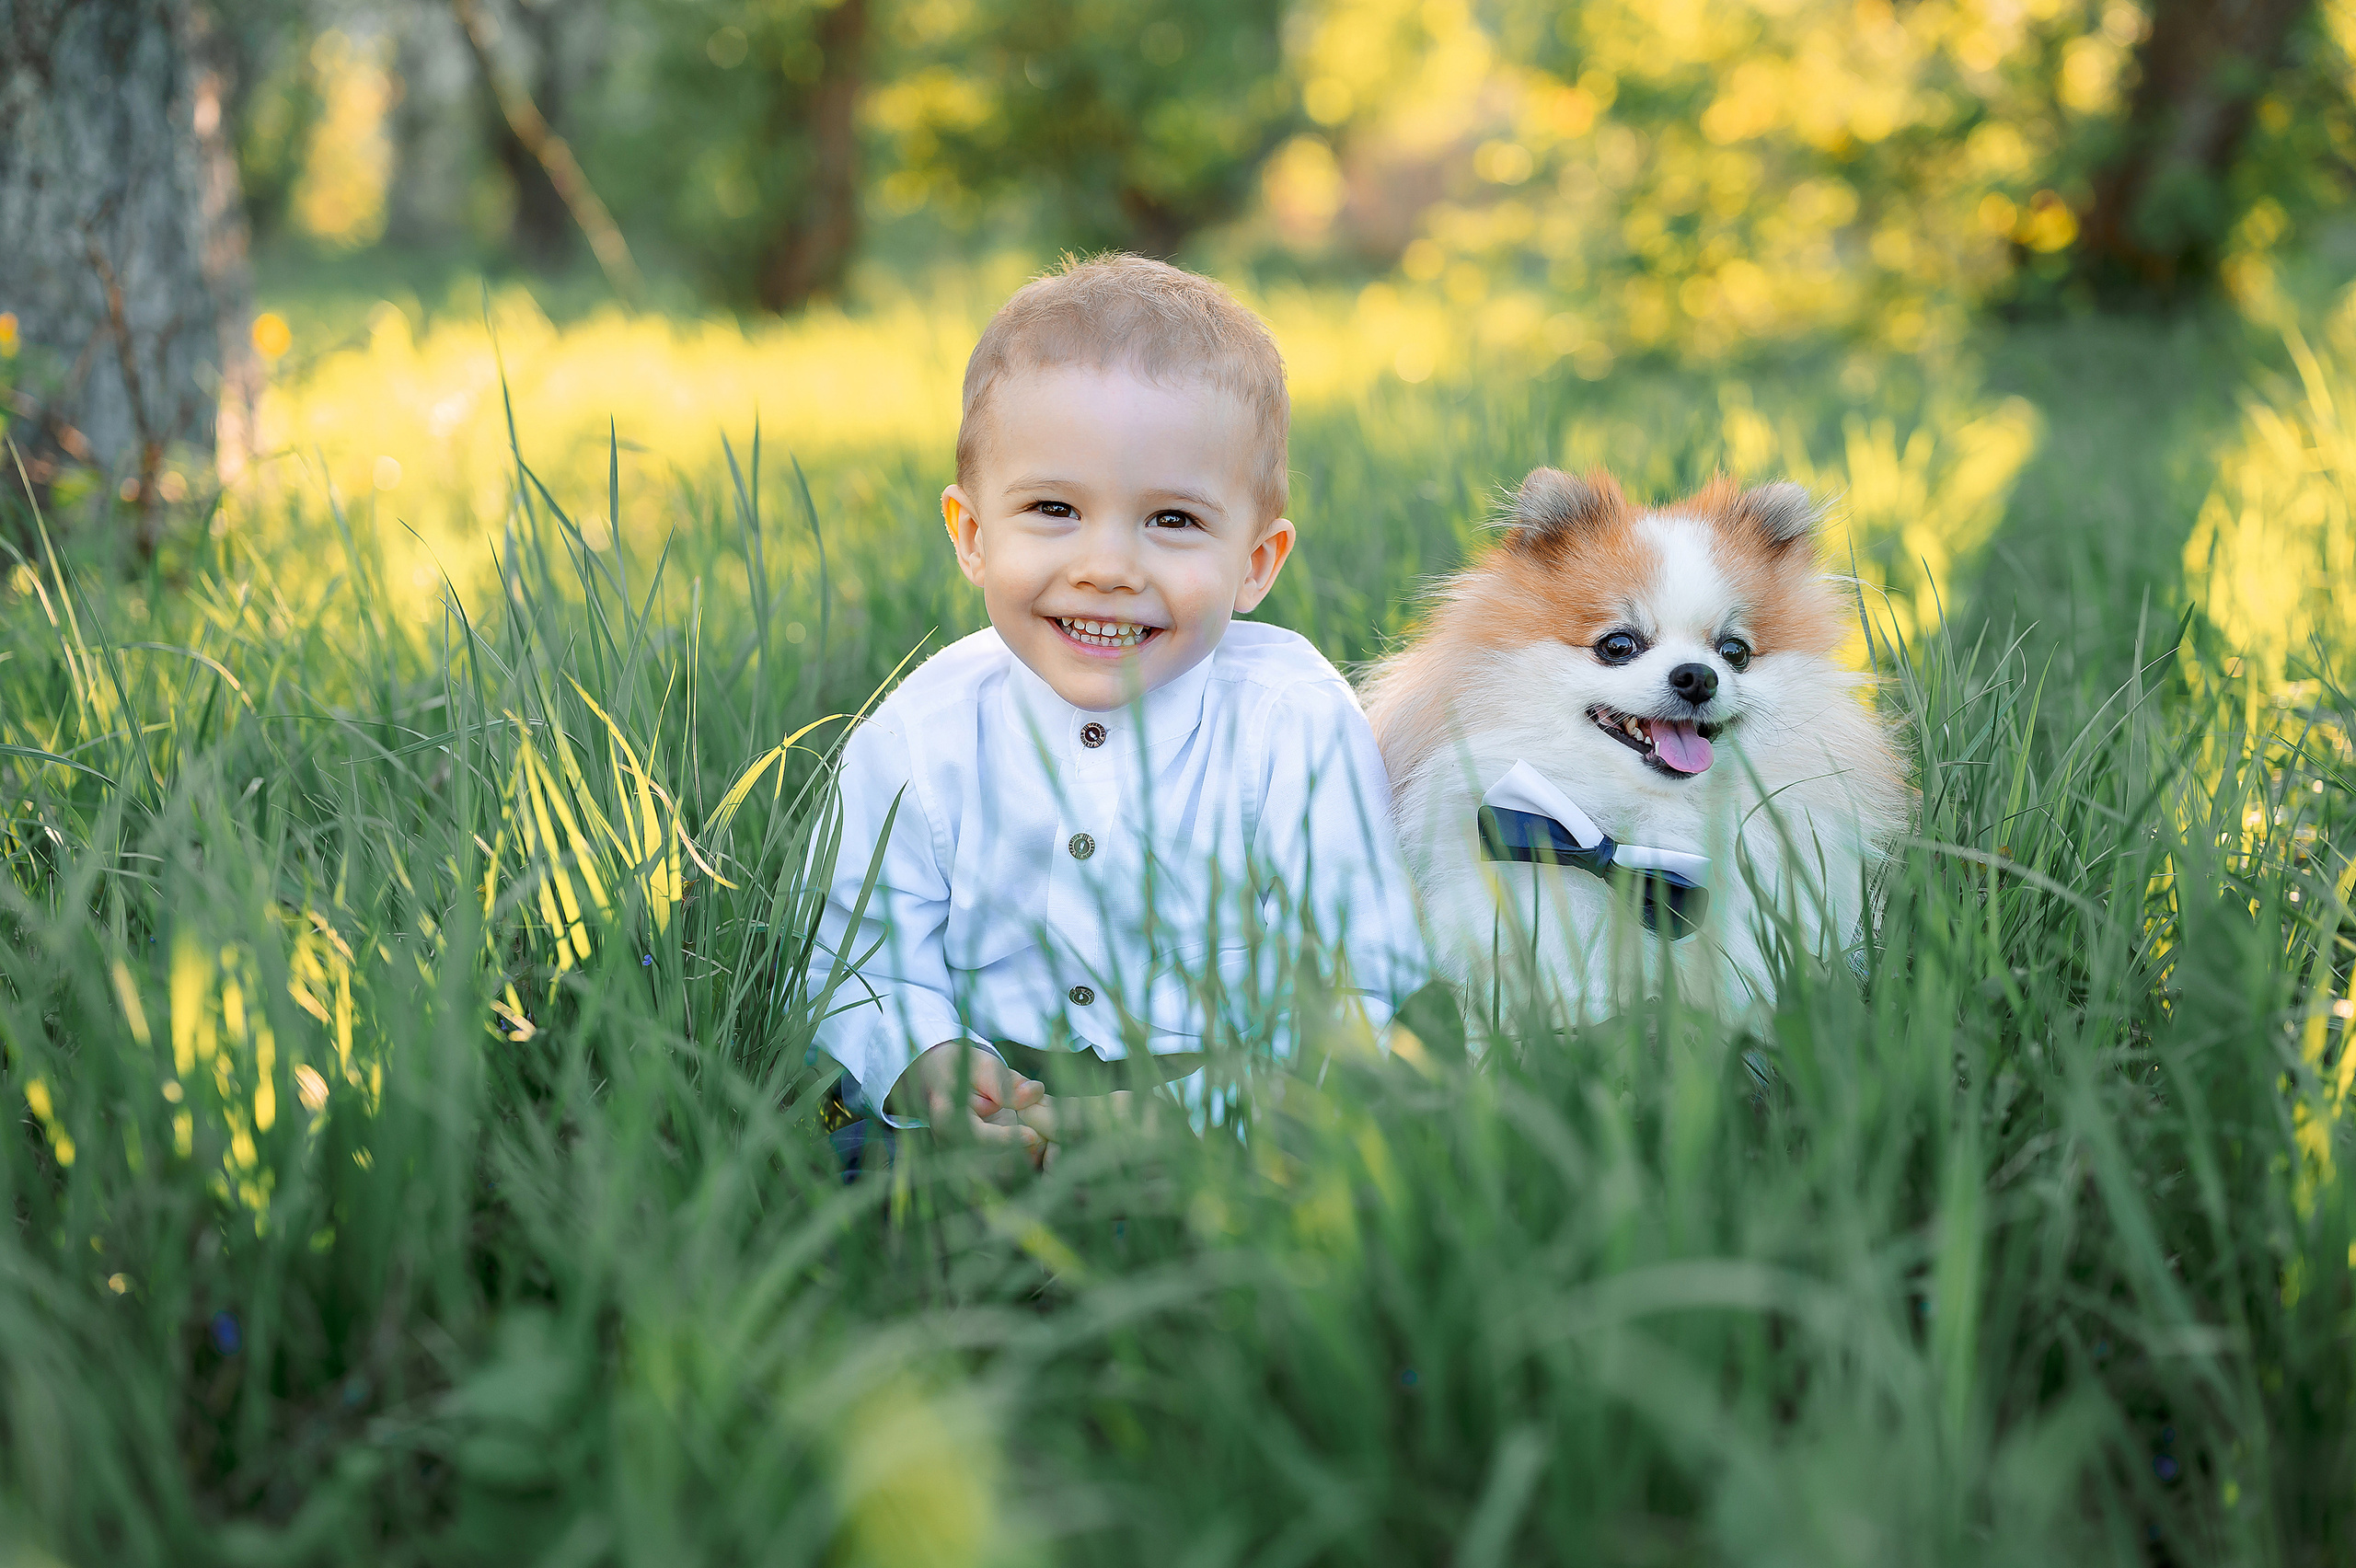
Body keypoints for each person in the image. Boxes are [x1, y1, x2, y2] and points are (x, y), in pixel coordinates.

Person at [807, 254, 1428, 1170]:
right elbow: (858, 959)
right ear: (973, 536)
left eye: (1172, 520)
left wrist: (1194, 1113)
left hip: (1233, 1099)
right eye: (1054, 508)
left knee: (1339, 1167)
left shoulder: (1291, 722)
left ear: (1256, 562)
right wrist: (928, 1062)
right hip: (990, 1098)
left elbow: (1358, 972)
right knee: (844, 1147)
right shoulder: (919, 735)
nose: (1107, 567)